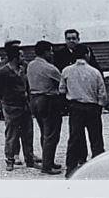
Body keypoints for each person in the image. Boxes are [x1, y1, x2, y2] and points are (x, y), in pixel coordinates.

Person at [0, 41, 39, 171]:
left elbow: (28, 85)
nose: (23, 59)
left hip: (24, 106)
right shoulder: (3, 71)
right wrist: (7, 98)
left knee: (28, 133)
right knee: (12, 134)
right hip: (11, 107)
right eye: (21, 56)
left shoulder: (23, 69)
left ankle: (30, 160)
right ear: (15, 57)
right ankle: (10, 160)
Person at [59, 47, 106, 178]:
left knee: (74, 139)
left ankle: (71, 169)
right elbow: (102, 94)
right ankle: (99, 169)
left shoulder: (66, 71)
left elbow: (62, 90)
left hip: (75, 108)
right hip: (92, 108)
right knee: (96, 140)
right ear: (87, 55)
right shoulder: (95, 72)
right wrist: (99, 108)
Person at [27, 40, 63, 175]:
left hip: (34, 100)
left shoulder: (30, 65)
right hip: (48, 100)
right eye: (50, 51)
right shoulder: (50, 68)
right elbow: (63, 83)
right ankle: (47, 166)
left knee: (44, 132)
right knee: (52, 134)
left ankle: (49, 160)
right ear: (46, 52)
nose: (52, 54)